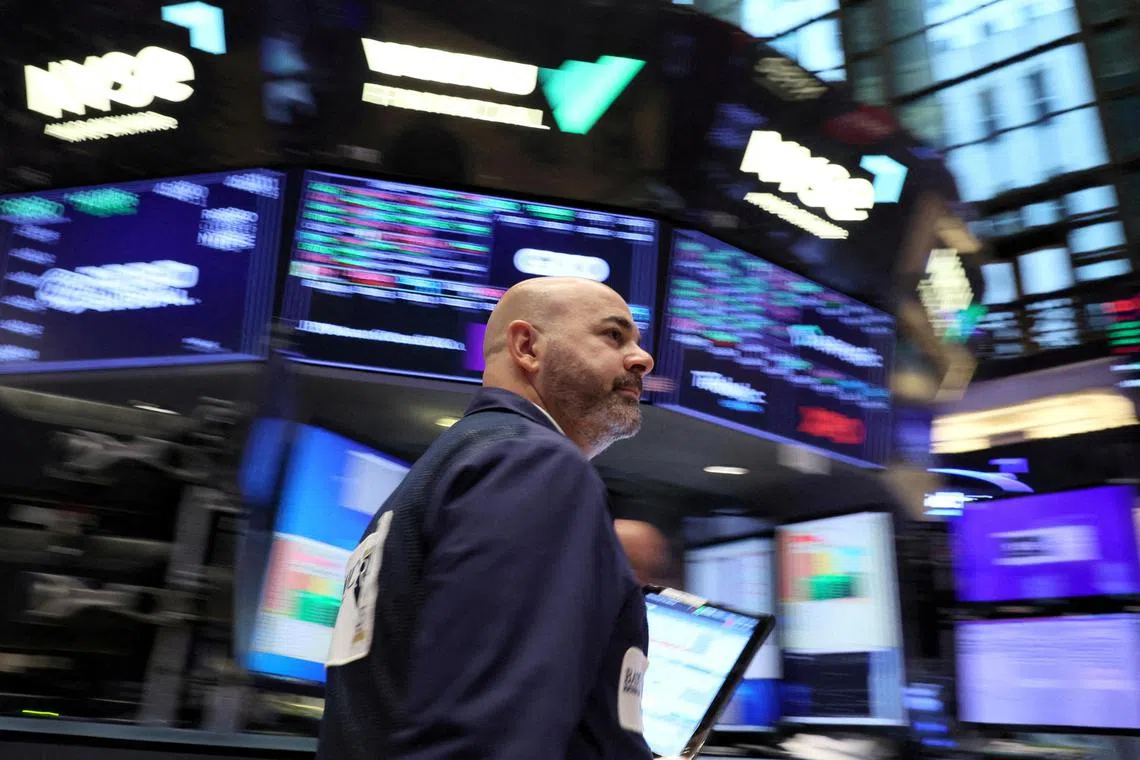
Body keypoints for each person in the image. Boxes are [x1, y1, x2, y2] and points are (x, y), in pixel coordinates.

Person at [317, 277, 657, 760]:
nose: (643, 358)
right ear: (527, 347)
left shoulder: (454, 465)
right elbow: (484, 736)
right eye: (613, 336)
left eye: (637, 342)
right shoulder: (533, 464)